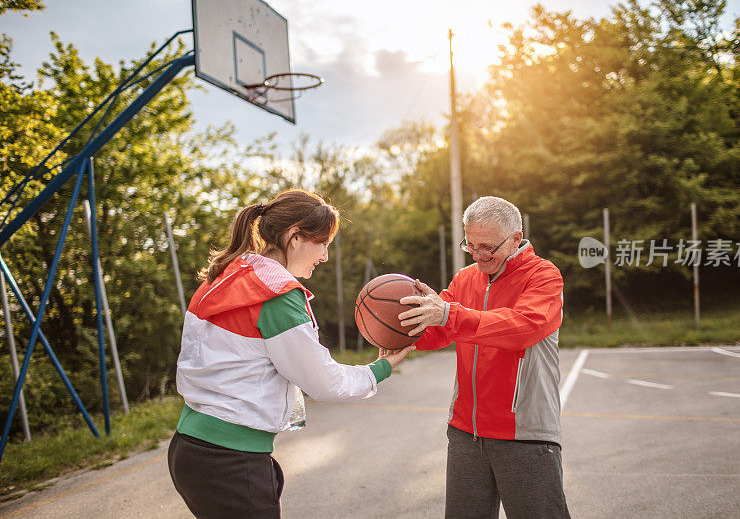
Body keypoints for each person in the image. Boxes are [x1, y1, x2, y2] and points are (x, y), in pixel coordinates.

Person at [168, 189, 414, 519]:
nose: (325, 256)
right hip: (228, 459)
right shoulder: (275, 294)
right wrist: (381, 368)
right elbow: (325, 381)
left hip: (191, 448)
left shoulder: (227, 275)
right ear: (294, 237)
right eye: (323, 243)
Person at [399, 196, 570, 518]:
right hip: (466, 432)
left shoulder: (544, 276)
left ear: (516, 239)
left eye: (487, 247)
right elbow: (438, 331)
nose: (479, 255)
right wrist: (399, 331)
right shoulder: (465, 279)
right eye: (471, 245)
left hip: (524, 432)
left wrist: (449, 313)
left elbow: (523, 327)